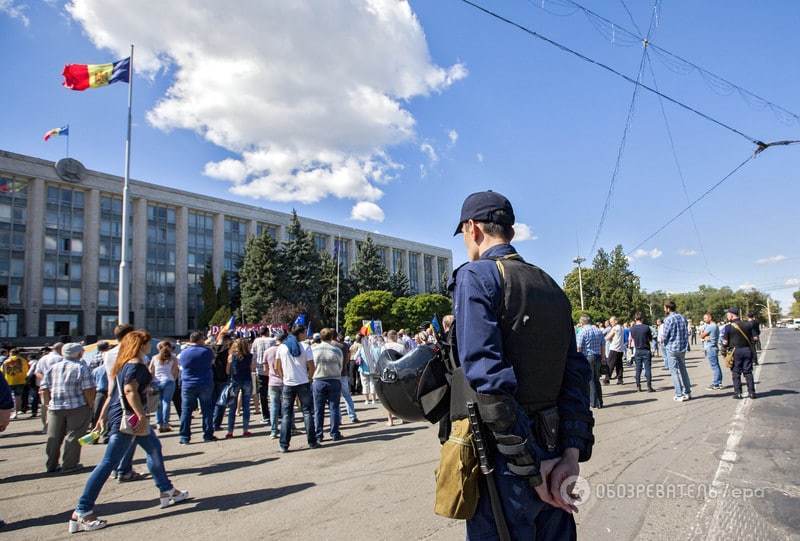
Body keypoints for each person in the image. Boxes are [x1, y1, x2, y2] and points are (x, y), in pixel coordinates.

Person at [449, 191, 593, 539]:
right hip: (555, 451)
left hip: (509, 461)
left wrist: (530, 467)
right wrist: (569, 455)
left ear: (473, 228)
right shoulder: (550, 285)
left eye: (465, 233)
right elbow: (575, 373)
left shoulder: (476, 276)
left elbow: (488, 381)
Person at [68, 330, 188, 533]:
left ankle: (167, 490)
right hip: (130, 419)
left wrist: (101, 419)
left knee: (154, 449)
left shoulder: (122, 365)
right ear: (140, 345)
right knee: (108, 463)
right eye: (147, 343)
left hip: (123, 416)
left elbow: (112, 394)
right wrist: (141, 416)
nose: (150, 346)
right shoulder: (136, 365)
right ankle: (82, 510)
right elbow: (129, 391)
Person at [40, 343, 95, 473]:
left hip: (55, 407)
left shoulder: (53, 368)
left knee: (54, 437)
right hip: (77, 406)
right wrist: (90, 404)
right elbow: (88, 389)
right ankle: (70, 465)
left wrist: (48, 404)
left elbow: (44, 389)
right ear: (79, 353)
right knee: (74, 436)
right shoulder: (81, 367)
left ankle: (51, 465)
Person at [275, 324, 319, 453]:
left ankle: (284, 444)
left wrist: (284, 377)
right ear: (300, 333)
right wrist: (310, 378)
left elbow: (277, 366)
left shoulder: (282, 347)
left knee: (286, 415)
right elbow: (312, 366)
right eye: (304, 332)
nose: (306, 335)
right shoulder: (305, 347)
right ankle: (312, 441)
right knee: (307, 412)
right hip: (303, 382)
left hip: (288, 383)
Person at [178, 331, 216, 444]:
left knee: (186, 411)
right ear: (200, 339)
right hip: (205, 382)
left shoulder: (184, 352)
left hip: (188, 384)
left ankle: (184, 437)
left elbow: (181, 366)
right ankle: (208, 434)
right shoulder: (207, 351)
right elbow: (212, 362)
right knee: (207, 410)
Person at [311, 328, 344, 442]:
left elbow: (311, 366)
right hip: (334, 380)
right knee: (334, 408)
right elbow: (340, 366)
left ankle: (319, 434)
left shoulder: (314, 350)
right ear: (332, 337)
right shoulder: (337, 350)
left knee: (318, 409)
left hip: (319, 380)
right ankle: (335, 433)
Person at [721, 308, 757, 399]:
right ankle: (752, 392)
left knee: (736, 372)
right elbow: (755, 338)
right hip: (747, 350)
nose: (727, 316)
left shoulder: (728, 327)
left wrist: (724, 351)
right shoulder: (748, 324)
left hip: (735, 352)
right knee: (748, 372)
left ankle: (738, 393)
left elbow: (725, 342)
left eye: (728, 314)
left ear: (732, 315)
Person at [662, 300, 691, 402]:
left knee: (674, 372)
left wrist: (662, 341)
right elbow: (686, 332)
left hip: (672, 348)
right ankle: (687, 392)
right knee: (683, 370)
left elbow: (665, 335)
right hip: (682, 348)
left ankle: (679, 394)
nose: (664, 309)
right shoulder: (682, 317)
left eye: (665, 308)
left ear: (668, 308)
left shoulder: (668, 319)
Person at [225, 338, 254, 438]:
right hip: (247, 380)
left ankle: (230, 432)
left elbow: (228, 371)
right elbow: (252, 368)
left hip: (234, 381)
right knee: (246, 407)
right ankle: (245, 430)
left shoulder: (231, 356)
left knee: (232, 408)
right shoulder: (250, 356)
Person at [149, 341, 179, 433]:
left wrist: (152, 380)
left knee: (158, 403)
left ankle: (159, 423)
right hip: (169, 381)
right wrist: (173, 379)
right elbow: (175, 370)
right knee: (166, 402)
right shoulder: (173, 358)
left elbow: (150, 370)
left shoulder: (155, 358)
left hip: (156, 382)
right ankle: (165, 423)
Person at [576, 315, 605, 408]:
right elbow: (603, 345)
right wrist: (603, 357)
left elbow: (579, 348)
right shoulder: (598, 330)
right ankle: (599, 401)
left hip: (588, 357)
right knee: (596, 379)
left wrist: (577, 359)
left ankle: (594, 402)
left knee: (590, 380)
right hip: (598, 356)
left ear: (582, 323)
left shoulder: (582, 331)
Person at [36, 342, 64, 432]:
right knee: (55, 407)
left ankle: (45, 426)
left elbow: (37, 372)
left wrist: (44, 380)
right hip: (57, 386)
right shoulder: (61, 359)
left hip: (43, 387)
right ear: (60, 349)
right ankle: (54, 426)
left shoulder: (43, 358)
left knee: (45, 406)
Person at [334, 332, 359, 424]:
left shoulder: (333, 346)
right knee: (347, 396)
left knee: (336, 398)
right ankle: (352, 416)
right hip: (343, 373)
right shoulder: (345, 346)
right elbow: (348, 358)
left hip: (335, 375)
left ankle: (338, 419)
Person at [251, 327, 273, 426]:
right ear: (267, 332)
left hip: (260, 369)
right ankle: (278, 413)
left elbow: (253, 355)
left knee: (263, 394)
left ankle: (266, 416)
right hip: (272, 369)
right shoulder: (272, 340)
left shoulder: (256, 341)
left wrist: (253, 368)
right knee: (275, 392)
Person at [265, 331, 284, 438]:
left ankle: (274, 430)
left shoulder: (268, 351)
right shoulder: (285, 350)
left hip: (272, 381)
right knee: (286, 405)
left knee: (274, 406)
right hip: (284, 381)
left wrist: (271, 375)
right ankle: (290, 427)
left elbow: (265, 368)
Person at [629, 313, 655, 392]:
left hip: (637, 350)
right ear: (642, 319)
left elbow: (632, 338)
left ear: (635, 319)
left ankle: (638, 386)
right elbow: (650, 338)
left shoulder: (632, 328)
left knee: (638, 369)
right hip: (646, 349)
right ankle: (649, 386)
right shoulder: (646, 327)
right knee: (647, 369)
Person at [211, 332, 232, 431]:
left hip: (211, 377)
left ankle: (210, 422)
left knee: (212, 401)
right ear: (227, 340)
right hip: (223, 377)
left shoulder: (210, 349)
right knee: (221, 401)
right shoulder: (227, 351)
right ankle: (216, 424)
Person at [2, 348, 29, 419]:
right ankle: (16, 412)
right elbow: (26, 371)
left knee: (11, 397)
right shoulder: (23, 360)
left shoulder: (6, 361)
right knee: (18, 396)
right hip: (20, 381)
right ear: (18, 353)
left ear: (11, 353)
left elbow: (2, 371)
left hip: (9, 381)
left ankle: (11, 412)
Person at [700, 312, 723, 390]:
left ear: (710, 318)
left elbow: (701, 335)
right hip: (713, 347)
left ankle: (716, 384)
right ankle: (719, 382)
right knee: (716, 365)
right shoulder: (714, 325)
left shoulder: (711, 326)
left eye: (705, 318)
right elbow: (703, 336)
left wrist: (704, 335)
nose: (704, 320)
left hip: (711, 347)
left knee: (714, 366)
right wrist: (705, 336)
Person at [604, 317, 625, 385]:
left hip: (614, 348)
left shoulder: (615, 328)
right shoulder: (621, 327)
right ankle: (620, 379)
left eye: (611, 322)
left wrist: (604, 338)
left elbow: (608, 337)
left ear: (615, 321)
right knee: (619, 364)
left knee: (610, 364)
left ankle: (607, 379)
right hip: (620, 349)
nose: (611, 323)